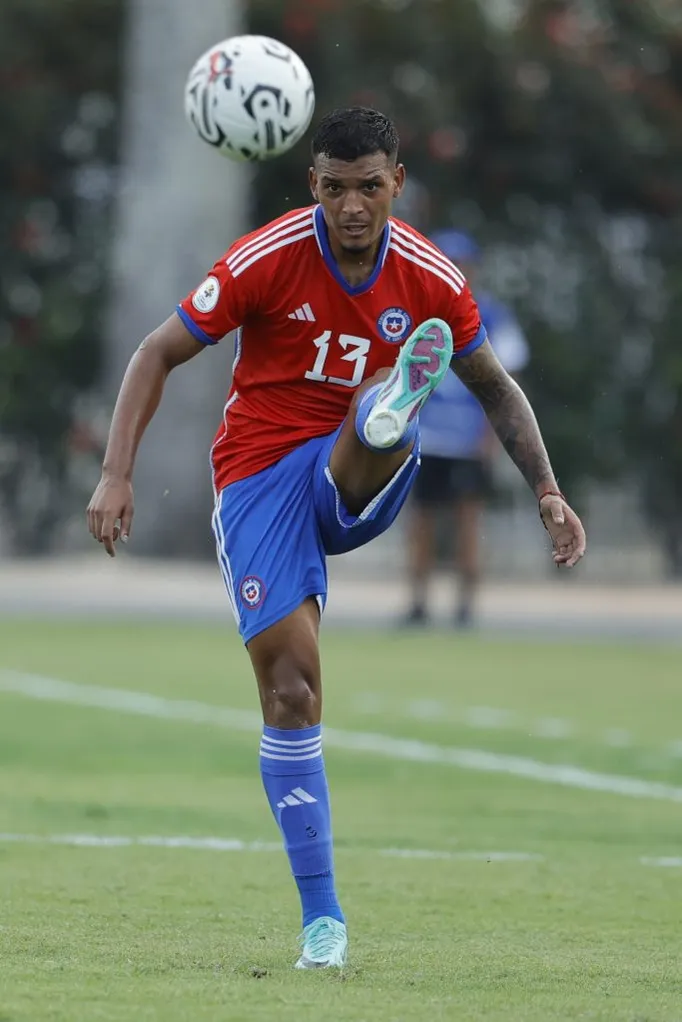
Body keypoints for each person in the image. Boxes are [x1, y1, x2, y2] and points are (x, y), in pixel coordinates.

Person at [86, 107, 586, 970]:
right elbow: (156, 353)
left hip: (357, 474)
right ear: (311, 186)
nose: (352, 205)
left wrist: (547, 491)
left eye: (369, 186)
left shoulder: (431, 277)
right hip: (258, 480)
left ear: (396, 185)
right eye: (334, 187)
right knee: (290, 690)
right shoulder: (267, 257)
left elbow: (498, 390)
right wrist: (116, 471)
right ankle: (324, 924)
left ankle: (386, 418)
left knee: (371, 420)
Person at [404, 230, 530, 627]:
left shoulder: (490, 315)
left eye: (463, 264)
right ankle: (419, 603)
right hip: (425, 438)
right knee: (421, 522)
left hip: (467, 441)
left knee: (467, 522)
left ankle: (465, 605)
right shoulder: (416, 314)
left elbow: (508, 382)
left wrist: (494, 438)